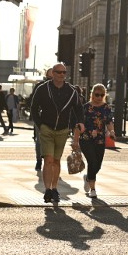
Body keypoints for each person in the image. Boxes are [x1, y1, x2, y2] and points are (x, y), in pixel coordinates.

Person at [31, 63, 84, 204]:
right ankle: (47, 189)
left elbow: (78, 108)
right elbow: (34, 107)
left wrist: (80, 122)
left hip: (63, 130)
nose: (61, 75)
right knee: (48, 159)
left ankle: (54, 188)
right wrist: (40, 125)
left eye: (64, 72)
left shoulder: (71, 91)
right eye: (59, 72)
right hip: (46, 128)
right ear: (53, 73)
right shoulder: (43, 89)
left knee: (56, 160)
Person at [74, 83, 114, 198]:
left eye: (102, 95)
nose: (99, 97)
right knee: (92, 162)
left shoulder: (106, 107)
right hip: (86, 139)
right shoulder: (86, 107)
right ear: (92, 95)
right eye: (97, 94)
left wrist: (111, 131)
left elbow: (109, 122)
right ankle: (93, 189)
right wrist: (75, 141)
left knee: (98, 165)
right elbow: (78, 125)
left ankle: (88, 178)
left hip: (100, 140)